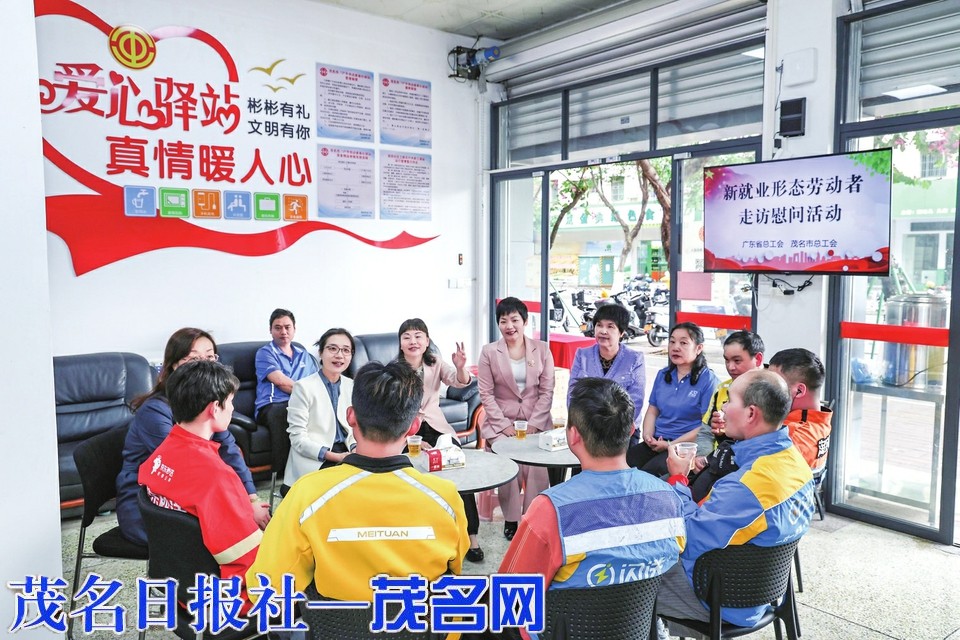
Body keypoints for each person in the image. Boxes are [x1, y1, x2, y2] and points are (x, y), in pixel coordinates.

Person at [247, 361, 469, 604]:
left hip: (332, 624)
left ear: (351, 416)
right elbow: (454, 566)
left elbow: (267, 587)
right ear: (414, 426)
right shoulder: (445, 497)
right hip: (421, 620)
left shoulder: (307, 494)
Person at [655, 369, 814, 630]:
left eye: (729, 400)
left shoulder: (747, 485)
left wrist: (678, 479)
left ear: (751, 413)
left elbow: (685, 539)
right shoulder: (797, 464)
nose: (724, 408)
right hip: (761, 591)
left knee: (625, 581)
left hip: (721, 600)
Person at [500, 377, 684, 596]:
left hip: (563, 619)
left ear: (573, 435)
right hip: (642, 618)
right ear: (630, 431)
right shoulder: (669, 498)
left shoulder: (550, 510)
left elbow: (508, 595)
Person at [116, 328, 268, 546]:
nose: (204, 364)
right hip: (151, 507)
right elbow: (188, 469)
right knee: (231, 535)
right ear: (174, 365)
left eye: (210, 357)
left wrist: (251, 498)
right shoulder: (155, 411)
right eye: (194, 359)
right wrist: (243, 508)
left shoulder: (208, 403)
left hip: (189, 496)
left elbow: (229, 450)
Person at [139, 360, 263, 611]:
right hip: (228, 600)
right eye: (230, 401)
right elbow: (246, 559)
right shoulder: (217, 476)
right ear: (214, 408)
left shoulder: (160, 456)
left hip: (180, 589)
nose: (232, 408)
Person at [395, 318, 484, 561]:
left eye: (418, 336)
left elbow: (460, 381)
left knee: (458, 471)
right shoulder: (393, 370)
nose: (413, 341)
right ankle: (422, 536)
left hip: (437, 426)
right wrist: (409, 439)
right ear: (400, 343)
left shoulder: (435, 362)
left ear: (427, 341)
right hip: (406, 432)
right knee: (412, 475)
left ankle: (472, 536)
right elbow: (391, 409)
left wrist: (461, 366)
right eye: (407, 337)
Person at [477, 297, 554, 541]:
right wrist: (503, 426)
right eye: (503, 321)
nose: (509, 326)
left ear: (525, 321)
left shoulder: (542, 349)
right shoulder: (489, 352)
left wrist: (535, 424)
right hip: (500, 422)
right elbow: (486, 394)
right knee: (507, 461)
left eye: (514, 320)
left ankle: (532, 517)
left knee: (537, 464)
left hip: (536, 421)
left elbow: (547, 391)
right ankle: (511, 519)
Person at [628, 322, 719, 476]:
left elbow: (705, 426)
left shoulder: (708, 380)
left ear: (698, 348)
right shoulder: (663, 375)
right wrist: (648, 436)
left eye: (683, 343)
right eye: (672, 341)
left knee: (648, 474)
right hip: (658, 441)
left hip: (683, 447)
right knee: (624, 463)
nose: (675, 347)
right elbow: (653, 410)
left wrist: (670, 445)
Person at [689, 330, 765, 503]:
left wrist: (728, 432)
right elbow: (706, 432)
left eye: (737, 361)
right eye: (726, 360)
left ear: (758, 359)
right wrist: (702, 457)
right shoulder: (722, 389)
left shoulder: (772, 393)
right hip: (716, 462)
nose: (730, 367)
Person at [283, 328, 356, 491]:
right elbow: (298, 438)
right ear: (321, 352)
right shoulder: (303, 387)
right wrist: (336, 456)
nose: (339, 355)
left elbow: (355, 429)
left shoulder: (351, 386)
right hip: (315, 459)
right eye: (332, 348)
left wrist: (354, 449)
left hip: (347, 454)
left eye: (346, 350)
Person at [568, 303, 645, 443]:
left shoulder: (634, 359)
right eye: (599, 325)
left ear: (621, 332)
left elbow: (636, 400)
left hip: (622, 430)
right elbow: (572, 395)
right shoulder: (582, 355)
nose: (603, 331)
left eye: (610, 326)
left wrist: (614, 429)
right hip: (588, 428)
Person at [255, 308, 319, 475]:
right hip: (272, 405)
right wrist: (308, 395)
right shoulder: (265, 353)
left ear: (294, 329)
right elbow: (281, 382)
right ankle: (282, 475)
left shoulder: (304, 355)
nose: (283, 332)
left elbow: (316, 382)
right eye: (278, 328)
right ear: (270, 330)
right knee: (285, 412)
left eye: (287, 327)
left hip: (300, 402)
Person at [768, 348, 832, 471]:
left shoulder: (790, 436)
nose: (767, 390)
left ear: (799, 390)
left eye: (774, 385)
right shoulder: (820, 423)